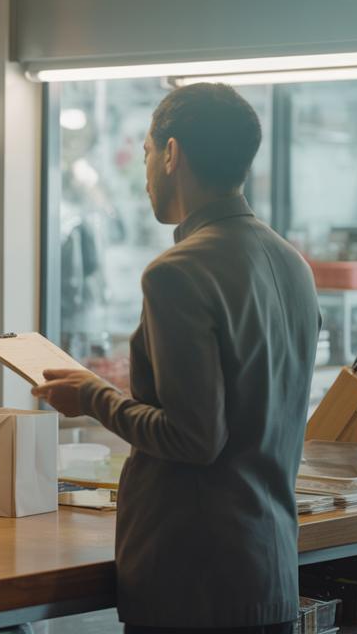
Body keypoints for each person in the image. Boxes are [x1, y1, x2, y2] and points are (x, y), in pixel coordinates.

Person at [33, 83, 319, 633]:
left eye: (145, 153)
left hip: (194, 583)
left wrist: (91, 396)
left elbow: (194, 438)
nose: (145, 175)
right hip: (269, 576)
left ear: (171, 154)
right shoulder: (292, 263)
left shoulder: (177, 272)